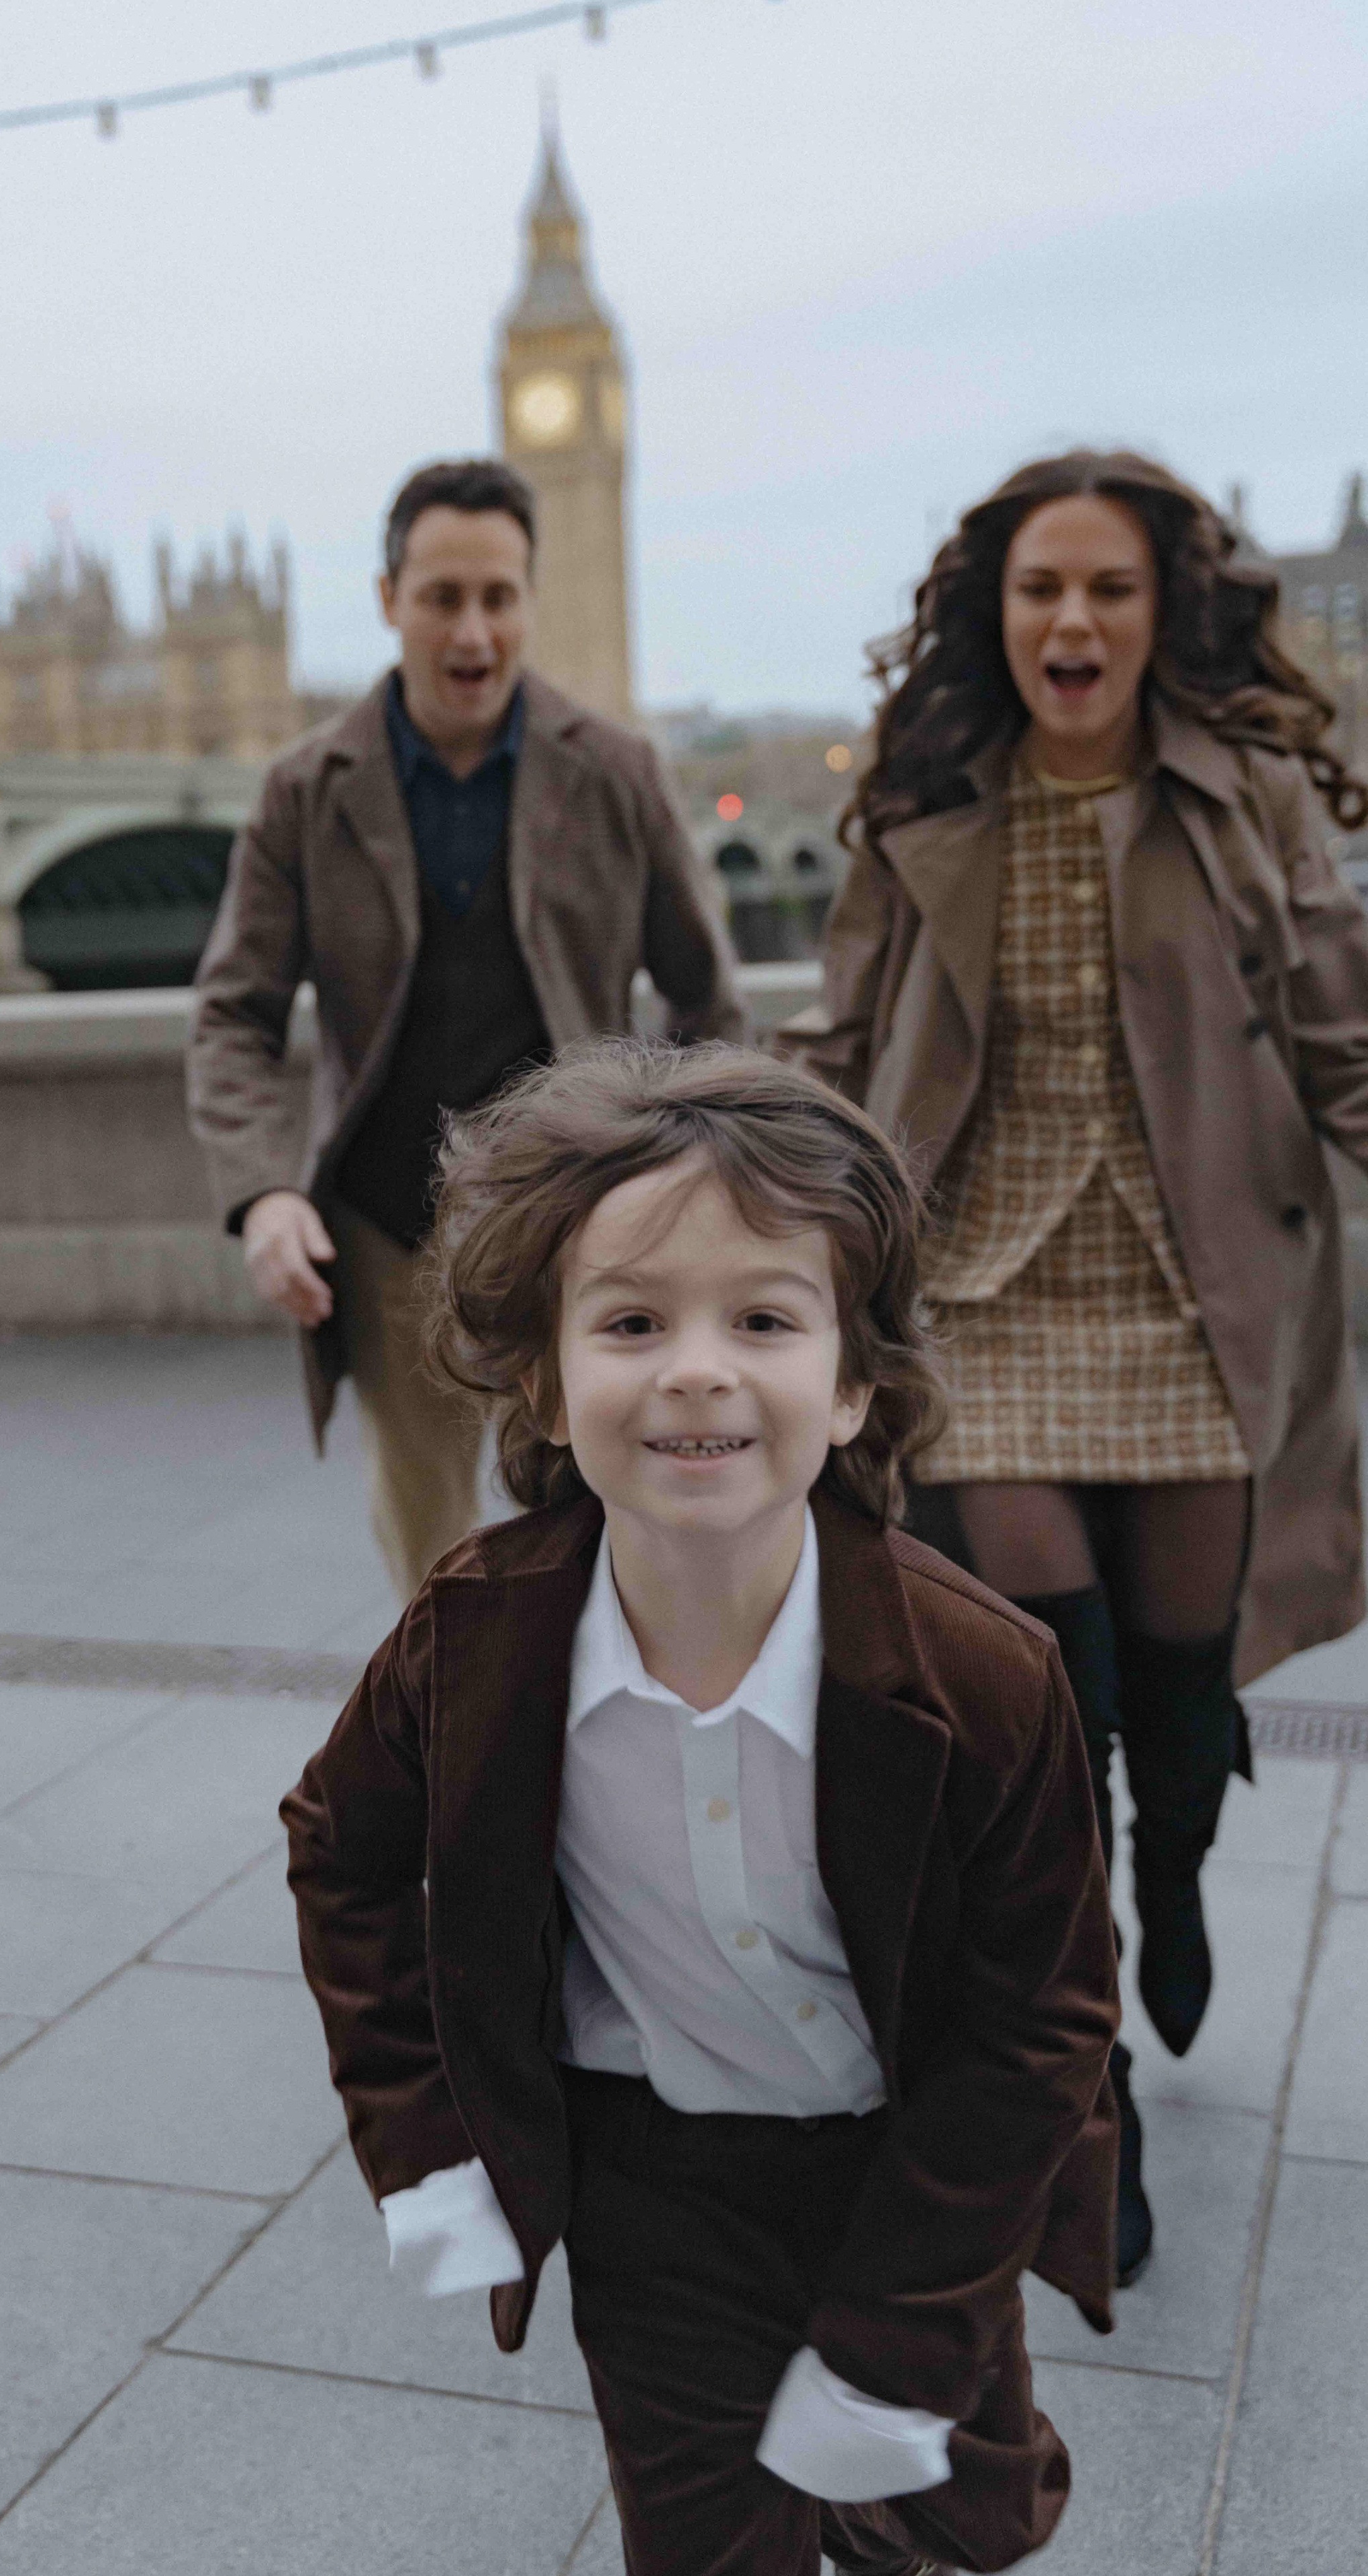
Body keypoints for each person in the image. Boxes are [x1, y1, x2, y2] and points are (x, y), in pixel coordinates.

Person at [283, 1041, 1120, 2576]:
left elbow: (1043, 2016)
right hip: (650, 2180)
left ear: (853, 1380)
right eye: (629, 1320)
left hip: (907, 2165)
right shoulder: (471, 1643)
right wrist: (422, 2139)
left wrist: (901, 2325)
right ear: (538, 1370)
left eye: (761, 1317)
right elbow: (341, 1847)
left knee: (956, 2510)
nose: (694, 1365)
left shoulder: (984, 1677)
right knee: (702, 2535)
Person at [789, 446, 1368, 2283]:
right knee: (1046, 1705)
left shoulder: (1246, 797)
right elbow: (836, 1044)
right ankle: (1083, 2063)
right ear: (995, 613)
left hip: (1195, 1289)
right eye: (1039, 588)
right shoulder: (920, 813)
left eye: (1105, 589)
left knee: (1179, 1694)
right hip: (976, 1296)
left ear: (1156, 613)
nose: (1070, 620)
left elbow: (1342, 1033)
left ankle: (1179, 1851)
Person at [186, 457, 743, 1600]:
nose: (474, 630)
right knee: (433, 1569)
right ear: (389, 598)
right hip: (389, 1230)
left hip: (587, 1218)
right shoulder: (305, 789)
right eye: (443, 597)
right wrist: (264, 1193)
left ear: (529, 600)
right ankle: (464, 1768)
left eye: (499, 596)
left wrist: (695, 1176)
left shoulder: (616, 772)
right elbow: (234, 1012)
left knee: (611, 1543)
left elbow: (708, 1002)